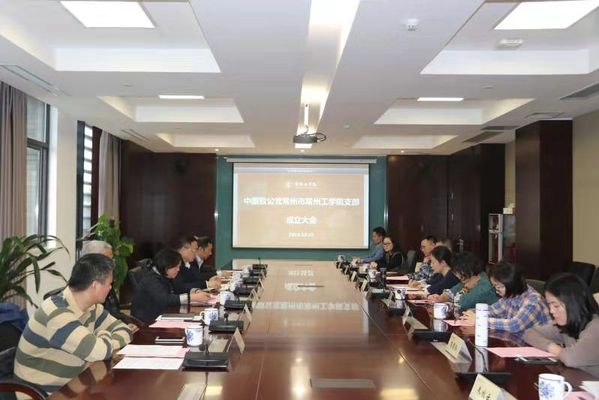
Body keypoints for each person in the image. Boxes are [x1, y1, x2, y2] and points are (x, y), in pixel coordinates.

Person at [14, 254, 134, 395]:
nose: (110, 288)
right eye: (109, 284)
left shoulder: (91, 307)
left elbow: (125, 330)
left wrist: (99, 344)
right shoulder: (56, 313)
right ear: (95, 285)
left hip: (73, 384)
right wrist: (102, 336)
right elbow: (99, 352)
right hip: (43, 394)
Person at [523, 273, 599, 377]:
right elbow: (529, 333)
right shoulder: (569, 324)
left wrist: (562, 353)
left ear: (573, 304)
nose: (551, 311)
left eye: (556, 306)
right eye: (549, 305)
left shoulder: (596, 326)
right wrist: (552, 347)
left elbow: (570, 359)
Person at [460, 262, 551, 335]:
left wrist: (479, 320)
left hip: (539, 348)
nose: (496, 291)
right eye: (495, 286)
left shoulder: (533, 301)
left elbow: (514, 325)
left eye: (499, 287)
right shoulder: (510, 296)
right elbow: (493, 310)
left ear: (511, 283)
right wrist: (471, 313)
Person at [131, 248, 212, 323]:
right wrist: (192, 297)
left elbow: (179, 287)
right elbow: (165, 299)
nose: (178, 270)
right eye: (176, 267)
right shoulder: (151, 279)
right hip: (148, 322)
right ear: (167, 266)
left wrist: (195, 291)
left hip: (163, 314)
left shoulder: (164, 274)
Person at [429, 251, 498, 310]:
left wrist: (465, 288)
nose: (456, 275)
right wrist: (441, 298)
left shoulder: (484, 285)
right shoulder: (469, 278)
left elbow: (460, 304)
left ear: (467, 269)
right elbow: (452, 292)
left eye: (457, 272)